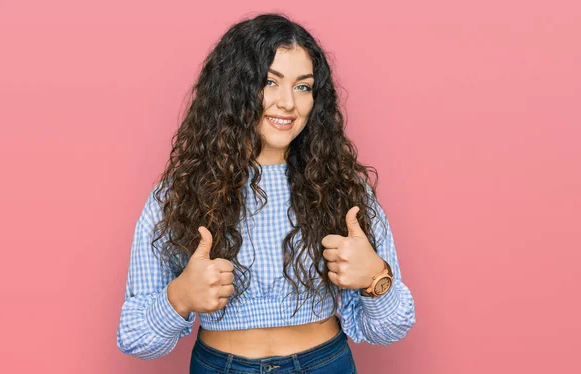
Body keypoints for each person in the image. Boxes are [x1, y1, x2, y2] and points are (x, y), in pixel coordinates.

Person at [117, 12, 416, 373]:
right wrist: (179, 297)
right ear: (235, 89)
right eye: (270, 82)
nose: (288, 103)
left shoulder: (341, 188)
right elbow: (135, 337)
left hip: (324, 363)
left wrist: (374, 277)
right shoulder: (178, 195)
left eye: (303, 86)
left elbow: (390, 328)